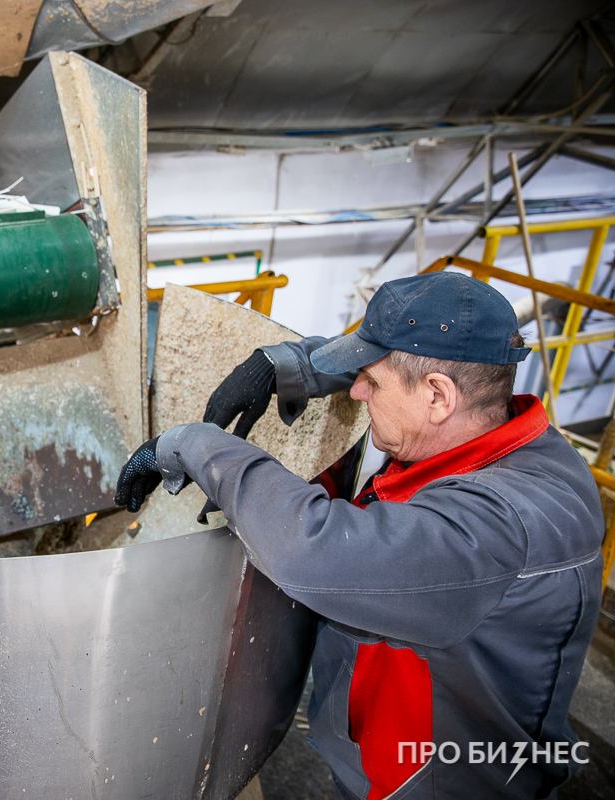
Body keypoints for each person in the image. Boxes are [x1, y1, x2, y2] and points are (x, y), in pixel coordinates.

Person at [115, 272, 604, 799]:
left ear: (438, 396)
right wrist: (291, 366)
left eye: (371, 378)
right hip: (380, 749)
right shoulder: (495, 432)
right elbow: (409, 368)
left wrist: (194, 445)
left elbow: (311, 549)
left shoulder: (503, 527)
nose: (357, 390)